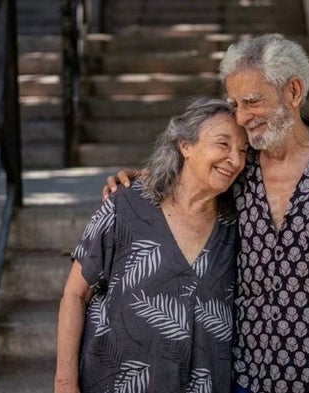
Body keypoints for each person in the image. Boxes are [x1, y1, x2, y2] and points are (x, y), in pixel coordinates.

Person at [104, 34, 309, 393]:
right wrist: (142, 177)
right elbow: (192, 177)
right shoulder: (238, 167)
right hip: (247, 379)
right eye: (235, 104)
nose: (242, 117)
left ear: (294, 92)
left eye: (252, 101)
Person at [54, 97, 249, 393]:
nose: (235, 160)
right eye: (223, 144)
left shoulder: (239, 224)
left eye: (243, 151)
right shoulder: (126, 205)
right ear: (185, 145)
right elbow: (75, 294)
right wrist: (65, 383)